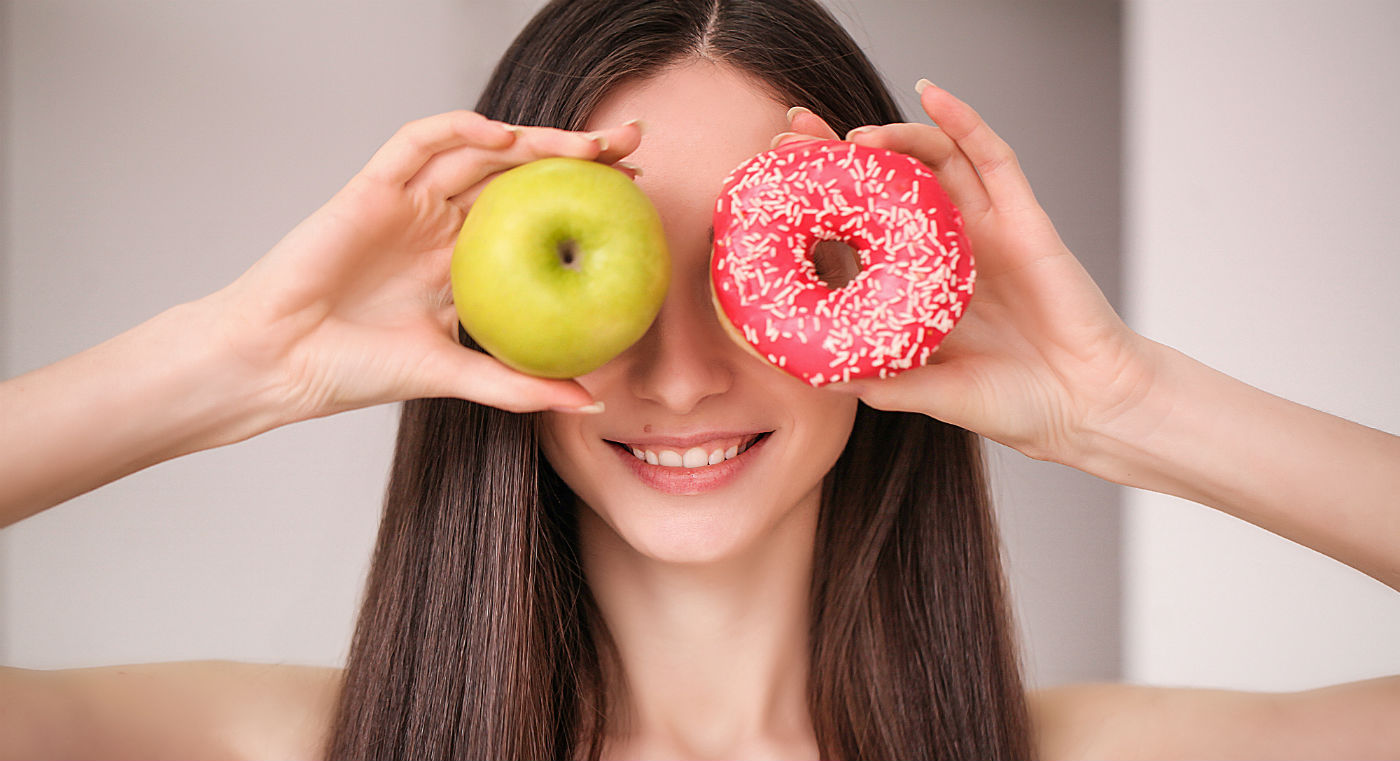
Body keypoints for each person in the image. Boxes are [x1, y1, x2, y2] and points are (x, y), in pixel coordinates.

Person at [2, 0, 1397, 758]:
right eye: (619, 285)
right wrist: (237, 361)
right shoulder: (288, 743)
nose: (678, 369)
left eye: (750, 275)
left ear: (862, 307)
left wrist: (1127, 406)